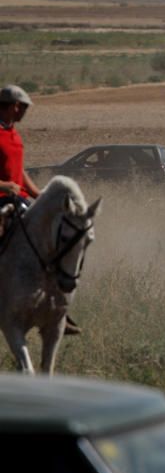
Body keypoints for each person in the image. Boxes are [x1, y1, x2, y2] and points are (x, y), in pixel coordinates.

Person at [0, 85, 81, 335]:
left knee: (54, 239)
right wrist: (3, 185)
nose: (25, 112)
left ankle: (57, 308)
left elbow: (19, 171)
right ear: (14, 106)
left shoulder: (13, 134)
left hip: (19, 199)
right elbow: (9, 179)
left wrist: (38, 195)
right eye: (23, 107)